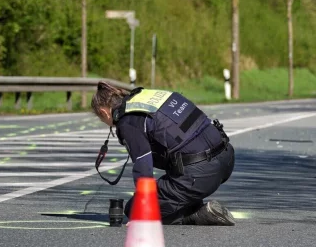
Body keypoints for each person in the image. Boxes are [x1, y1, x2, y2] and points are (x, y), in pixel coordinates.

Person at [91, 82, 236, 225]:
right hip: (226, 157)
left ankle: (196, 214)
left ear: (104, 112)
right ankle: (188, 199)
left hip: (200, 174)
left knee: (133, 209)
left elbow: (143, 166)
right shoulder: (150, 97)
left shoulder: (128, 121)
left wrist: (142, 212)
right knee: (173, 154)